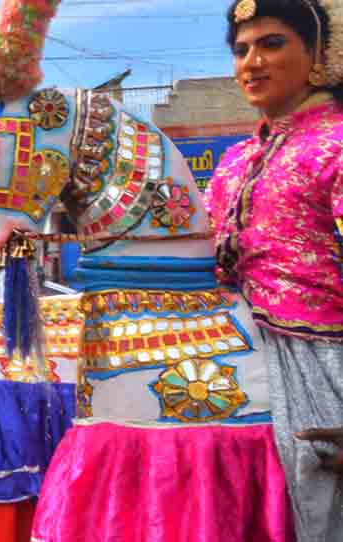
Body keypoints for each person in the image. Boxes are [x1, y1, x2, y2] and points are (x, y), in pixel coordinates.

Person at [207, 1, 343, 538]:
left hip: (325, 366)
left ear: (316, 55)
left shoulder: (337, 145)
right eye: (241, 50)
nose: (251, 62)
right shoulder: (234, 161)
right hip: (241, 364)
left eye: (272, 43)